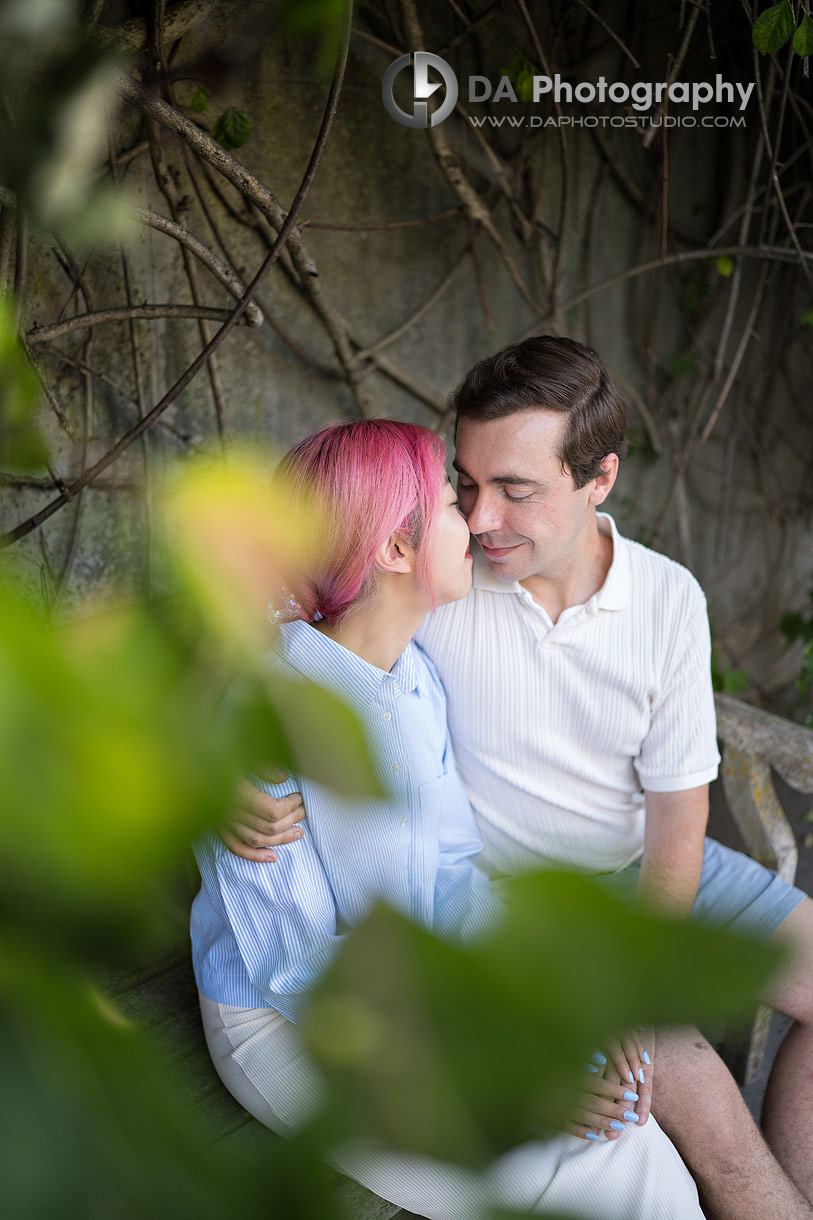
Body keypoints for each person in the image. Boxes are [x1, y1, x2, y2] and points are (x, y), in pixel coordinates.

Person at [225, 339, 813, 1220]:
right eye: (463, 486)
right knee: (689, 1127)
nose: (482, 514)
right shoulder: (434, 602)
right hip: (513, 906)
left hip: (632, 871)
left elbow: (677, 817)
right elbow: (296, 601)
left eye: (515, 489)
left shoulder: (662, 598)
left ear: (597, 481)